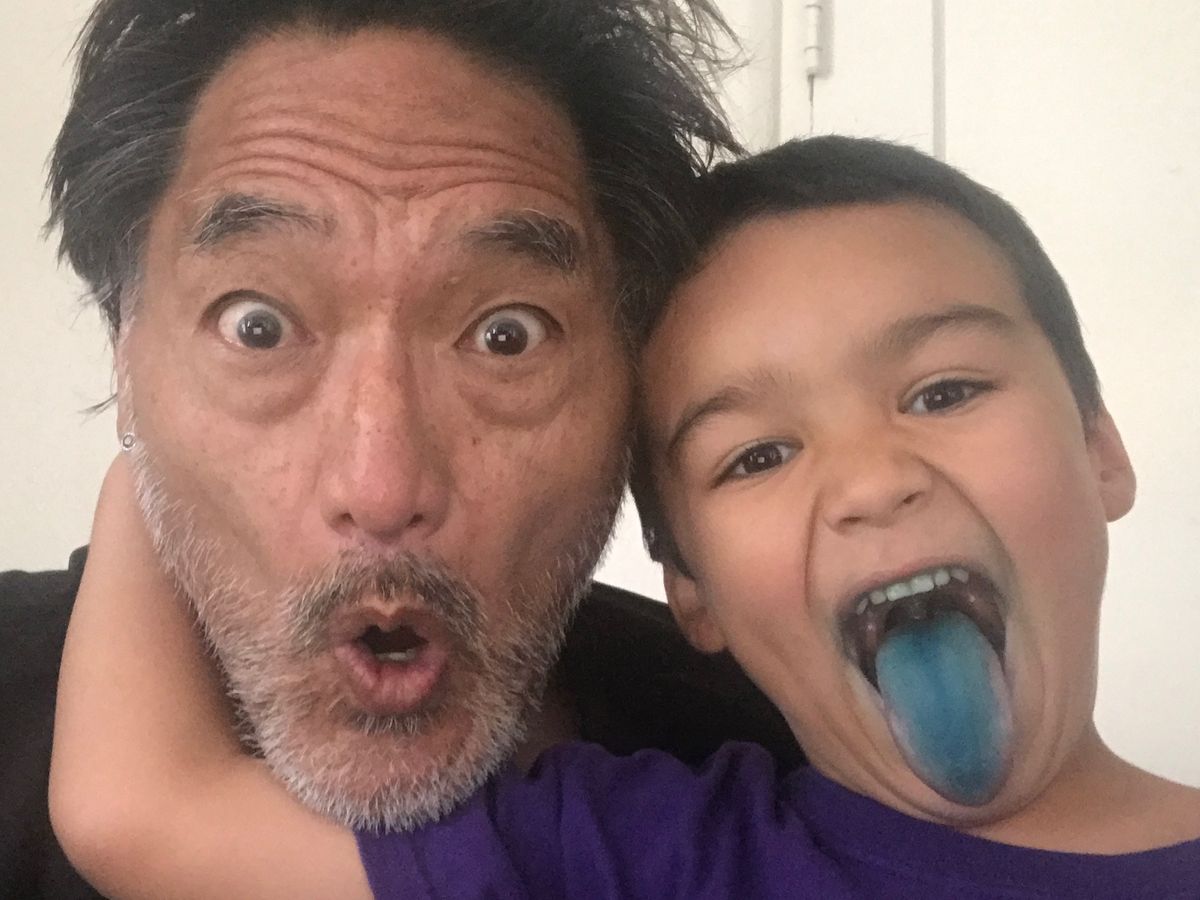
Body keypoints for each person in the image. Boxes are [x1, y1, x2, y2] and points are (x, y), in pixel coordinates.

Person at [51, 136, 1200, 899]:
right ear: (690, 589)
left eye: (943, 393)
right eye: (756, 455)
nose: (869, 483)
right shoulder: (642, 854)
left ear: (1099, 449)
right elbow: (143, 812)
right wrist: (166, 439)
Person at [0, 2, 805, 897]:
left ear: (632, 384)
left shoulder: (785, 767)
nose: (381, 489)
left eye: (507, 336)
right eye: (258, 326)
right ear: (126, 356)